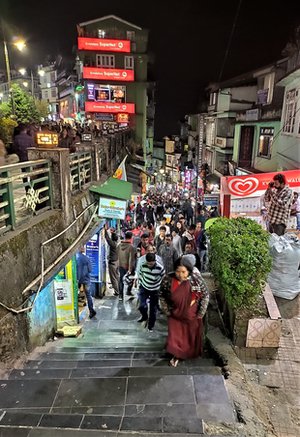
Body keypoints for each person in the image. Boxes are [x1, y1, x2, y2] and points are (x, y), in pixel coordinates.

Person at [159, 255, 209, 367]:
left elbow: (205, 296)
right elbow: (161, 295)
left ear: (189, 271)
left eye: (183, 272)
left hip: (192, 315)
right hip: (175, 314)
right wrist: (167, 311)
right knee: (175, 337)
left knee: (189, 337)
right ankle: (176, 355)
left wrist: (201, 313)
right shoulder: (168, 279)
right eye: (178, 272)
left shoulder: (196, 280)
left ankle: (187, 353)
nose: (180, 275)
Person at [137, 252, 165, 331]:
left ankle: (150, 326)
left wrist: (160, 288)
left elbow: (163, 278)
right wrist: (141, 283)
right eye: (148, 264)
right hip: (144, 287)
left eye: (151, 264)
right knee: (142, 306)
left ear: (154, 261)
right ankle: (144, 316)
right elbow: (140, 274)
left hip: (155, 289)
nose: (149, 265)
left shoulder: (160, 268)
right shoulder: (143, 265)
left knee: (153, 309)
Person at [76, 246, 96, 319]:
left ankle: (75, 312)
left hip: (77, 280)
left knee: (75, 294)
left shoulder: (74, 258)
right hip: (86, 279)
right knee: (88, 295)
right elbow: (90, 270)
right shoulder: (86, 258)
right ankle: (91, 311)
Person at [117, 231, 136, 300]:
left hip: (120, 265)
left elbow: (117, 255)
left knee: (121, 280)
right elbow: (131, 259)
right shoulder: (131, 247)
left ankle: (120, 296)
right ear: (131, 238)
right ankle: (128, 291)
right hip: (128, 266)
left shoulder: (119, 245)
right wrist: (130, 269)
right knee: (131, 279)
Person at [104, 225, 119, 296]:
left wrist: (105, 230)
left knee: (113, 278)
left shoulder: (113, 244)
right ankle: (119, 290)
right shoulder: (118, 243)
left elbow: (107, 238)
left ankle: (117, 291)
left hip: (112, 263)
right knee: (117, 277)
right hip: (117, 262)